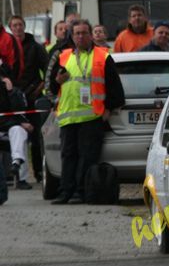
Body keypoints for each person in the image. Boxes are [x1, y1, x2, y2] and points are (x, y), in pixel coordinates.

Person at [48, 20, 125, 203]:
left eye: (84, 33)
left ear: (91, 35)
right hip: (68, 117)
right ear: (72, 36)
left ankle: (81, 191)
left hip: (92, 117)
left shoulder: (102, 56)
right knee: (68, 156)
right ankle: (66, 191)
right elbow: (51, 88)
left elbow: (116, 90)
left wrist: (107, 110)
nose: (80, 37)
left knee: (87, 157)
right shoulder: (63, 56)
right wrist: (57, 80)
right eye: (77, 33)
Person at [9, 15, 48, 182]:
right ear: (10, 28)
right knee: (16, 133)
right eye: (14, 25)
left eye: (20, 24)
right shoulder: (7, 48)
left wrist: (39, 88)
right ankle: (15, 174)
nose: (18, 28)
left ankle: (39, 172)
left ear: (24, 26)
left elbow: (47, 71)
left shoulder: (35, 47)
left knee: (37, 136)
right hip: (13, 99)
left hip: (33, 96)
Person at [0, 74, 33, 190]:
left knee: (19, 131)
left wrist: (10, 92)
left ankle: (17, 163)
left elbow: (19, 112)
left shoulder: (15, 93)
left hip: (9, 127)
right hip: (6, 124)